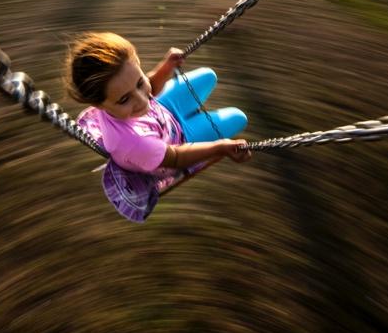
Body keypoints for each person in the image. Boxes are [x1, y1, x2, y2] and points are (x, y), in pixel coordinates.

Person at [65, 32, 250, 222]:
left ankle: (140, 92)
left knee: (208, 76)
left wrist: (165, 67)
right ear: (99, 106)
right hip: (179, 142)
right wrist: (220, 147)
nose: (141, 99)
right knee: (238, 117)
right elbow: (177, 157)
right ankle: (197, 124)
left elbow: (150, 85)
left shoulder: (125, 92)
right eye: (124, 99)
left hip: (164, 109)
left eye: (139, 82)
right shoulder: (134, 143)